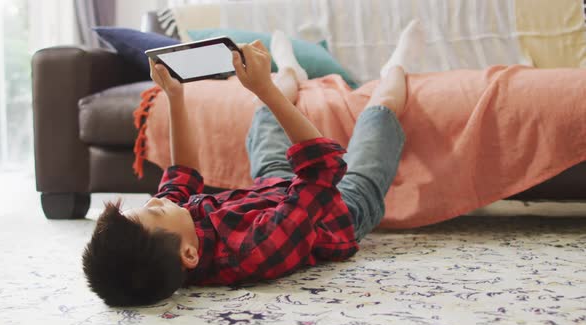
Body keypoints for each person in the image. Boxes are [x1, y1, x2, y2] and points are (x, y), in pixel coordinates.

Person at [81, 20, 426, 306]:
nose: (157, 199)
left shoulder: (175, 239)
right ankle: (396, 66)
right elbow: (322, 171)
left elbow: (181, 175)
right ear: (189, 254)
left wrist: (175, 95)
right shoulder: (252, 252)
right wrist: (264, 89)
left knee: (264, 120)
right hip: (339, 211)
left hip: (272, 189)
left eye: (148, 205)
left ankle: (292, 70)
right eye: (155, 210)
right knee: (377, 117)